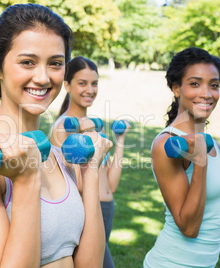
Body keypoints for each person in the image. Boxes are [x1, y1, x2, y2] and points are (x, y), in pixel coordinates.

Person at [0, 4, 112, 267]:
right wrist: (25, 182)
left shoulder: (56, 154)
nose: (43, 77)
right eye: (28, 62)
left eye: (55, 64)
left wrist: (90, 170)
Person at [143, 47, 220, 268]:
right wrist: (200, 163)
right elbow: (189, 228)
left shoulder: (209, 142)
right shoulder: (167, 144)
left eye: (214, 85)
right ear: (176, 88)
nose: (207, 93)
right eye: (195, 83)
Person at [50, 56, 130, 268]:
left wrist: (119, 141)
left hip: (105, 208)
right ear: (67, 85)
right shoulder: (63, 128)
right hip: (88, 209)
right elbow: (73, 186)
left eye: (94, 83)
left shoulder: (95, 126)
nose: (90, 90)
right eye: (82, 83)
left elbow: (110, 185)